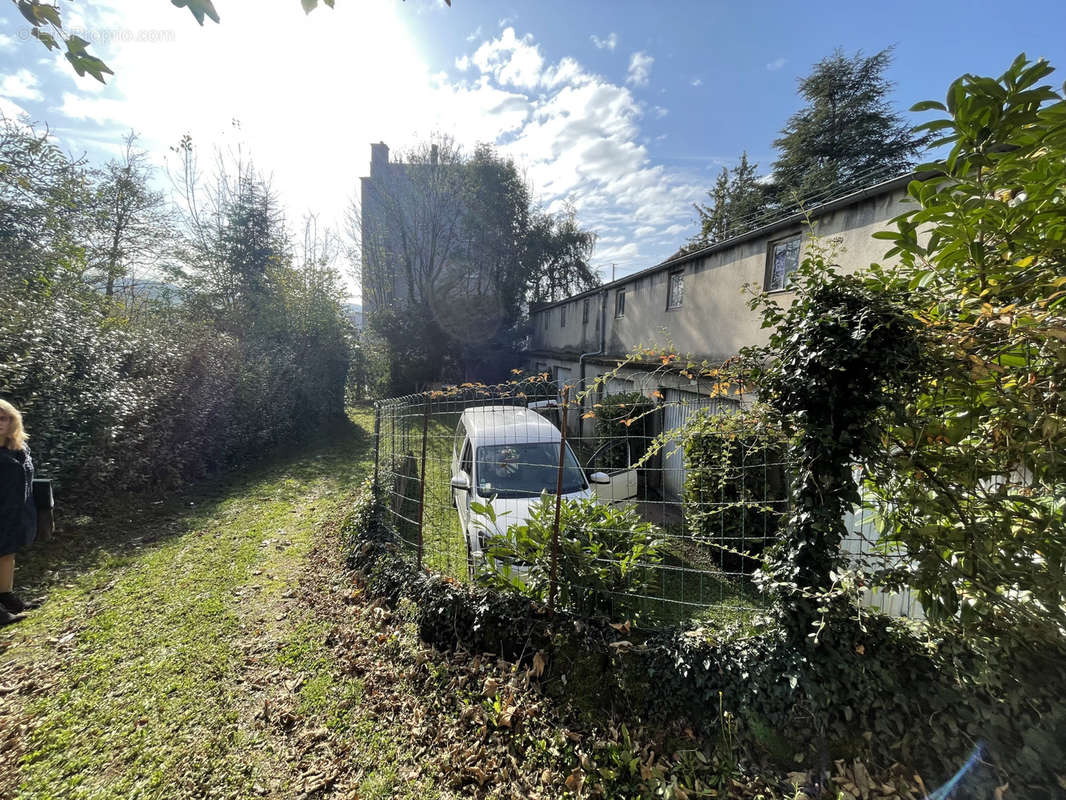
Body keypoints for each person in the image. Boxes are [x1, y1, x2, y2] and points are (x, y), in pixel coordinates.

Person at [0, 399, 36, 626]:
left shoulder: (18, 448)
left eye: (2, 418)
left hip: (12, 512)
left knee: (7, 553)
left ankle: (6, 596)